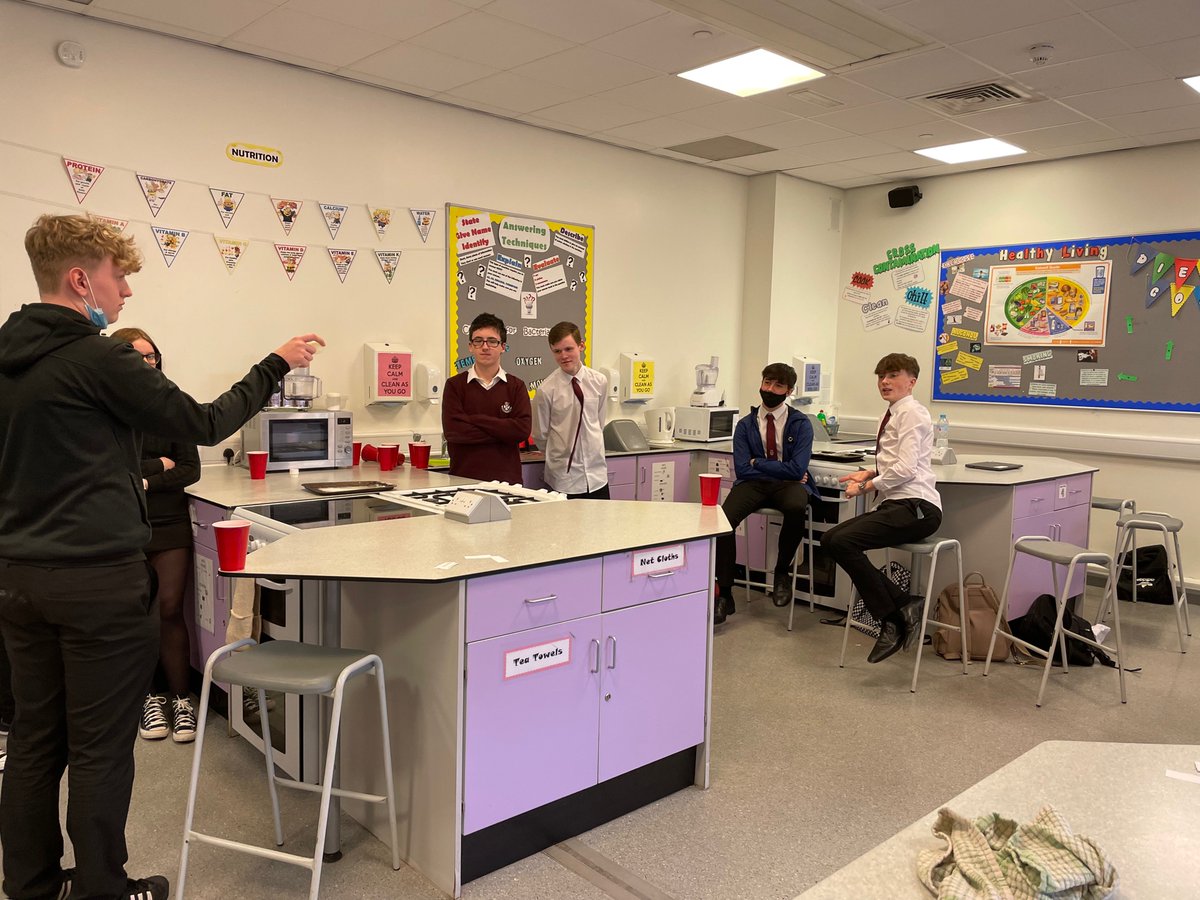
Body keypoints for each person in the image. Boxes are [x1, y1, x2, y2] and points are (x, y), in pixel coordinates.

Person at [0, 213, 322, 900]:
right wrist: (277, 362)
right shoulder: (98, 357)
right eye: (119, 278)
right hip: (96, 580)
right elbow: (205, 422)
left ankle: (29, 887)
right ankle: (103, 891)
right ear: (81, 278)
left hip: (19, 578)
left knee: (33, 741)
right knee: (99, 747)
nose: (125, 294)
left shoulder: (6, 354)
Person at [111, 327, 202, 745]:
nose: (149, 364)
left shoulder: (171, 404)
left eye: (153, 357)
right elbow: (112, 469)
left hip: (169, 525)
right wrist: (155, 468)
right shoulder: (106, 405)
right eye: (138, 357)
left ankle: (182, 700)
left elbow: (190, 469)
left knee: (168, 609)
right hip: (122, 524)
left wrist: (146, 478)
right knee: (138, 615)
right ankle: (150, 697)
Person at [821, 352, 942, 664]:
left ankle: (892, 616)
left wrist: (865, 486)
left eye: (893, 375)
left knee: (841, 541)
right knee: (832, 540)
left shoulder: (912, 413)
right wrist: (870, 472)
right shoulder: (891, 413)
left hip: (916, 506)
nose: (885, 382)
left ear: (911, 382)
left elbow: (906, 470)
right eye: (881, 376)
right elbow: (896, 463)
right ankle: (902, 605)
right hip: (896, 503)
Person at [714, 363, 818, 625]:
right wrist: (779, 470)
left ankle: (782, 573)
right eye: (767, 383)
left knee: (797, 506)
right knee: (722, 521)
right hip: (754, 485)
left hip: (788, 487)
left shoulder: (801, 423)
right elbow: (741, 469)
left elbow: (798, 469)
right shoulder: (745, 424)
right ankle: (725, 594)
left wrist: (757, 463)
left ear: (789, 391)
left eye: (778, 385)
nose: (770, 389)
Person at [442, 312, 532, 485]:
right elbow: (454, 432)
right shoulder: (455, 385)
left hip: (508, 485)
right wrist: (503, 432)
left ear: (502, 346)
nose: (485, 347)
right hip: (463, 482)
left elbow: (521, 431)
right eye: (478, 341)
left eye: (492, 341)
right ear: (470, 346)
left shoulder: (516, 386)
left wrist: (473, 419)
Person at [533, 321, 609, 498]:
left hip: (597, 476)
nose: (563, 356)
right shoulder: (546, 390)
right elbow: (541, 435)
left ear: (581, 345)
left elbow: (599, 421)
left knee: (603, 526)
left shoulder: (599, 381)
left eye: (568, 349)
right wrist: (561, 455)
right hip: (564, 480)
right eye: (557, 351)